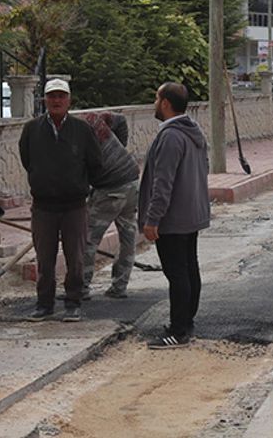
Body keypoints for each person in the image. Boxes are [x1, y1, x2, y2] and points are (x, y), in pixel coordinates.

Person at [19, 79, 102, 322]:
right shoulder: (32, 129)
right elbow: (27, 159)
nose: (56, 101)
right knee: (45, 258)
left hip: (74, 205)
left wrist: (83, 187)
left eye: (61, 96)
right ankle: (44, 304)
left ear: (69, 100)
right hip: (44, 206)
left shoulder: (82, 129)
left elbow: (95, 163)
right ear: (44, 100)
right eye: (52, 96)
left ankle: (73, 302)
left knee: (75, 257)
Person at [139, 82, 210, 349]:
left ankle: (178, 331)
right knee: (189, 269)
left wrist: (153, 218)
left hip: (172, 218)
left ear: (166, 103)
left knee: (177, 274)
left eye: (157, 98)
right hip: (190, 214)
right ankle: (186, 323)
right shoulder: (192, 131)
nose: (154, 103)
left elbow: (162, 182)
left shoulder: (170, 136)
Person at [81, 111, 140, 300]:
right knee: (128, 235)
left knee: (87, 239)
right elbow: (121, 120)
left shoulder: (73, 136)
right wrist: (119, 151)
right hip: (131, 178)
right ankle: (119, 287)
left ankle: (80, 288)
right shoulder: (93, 118)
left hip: (111, 188)